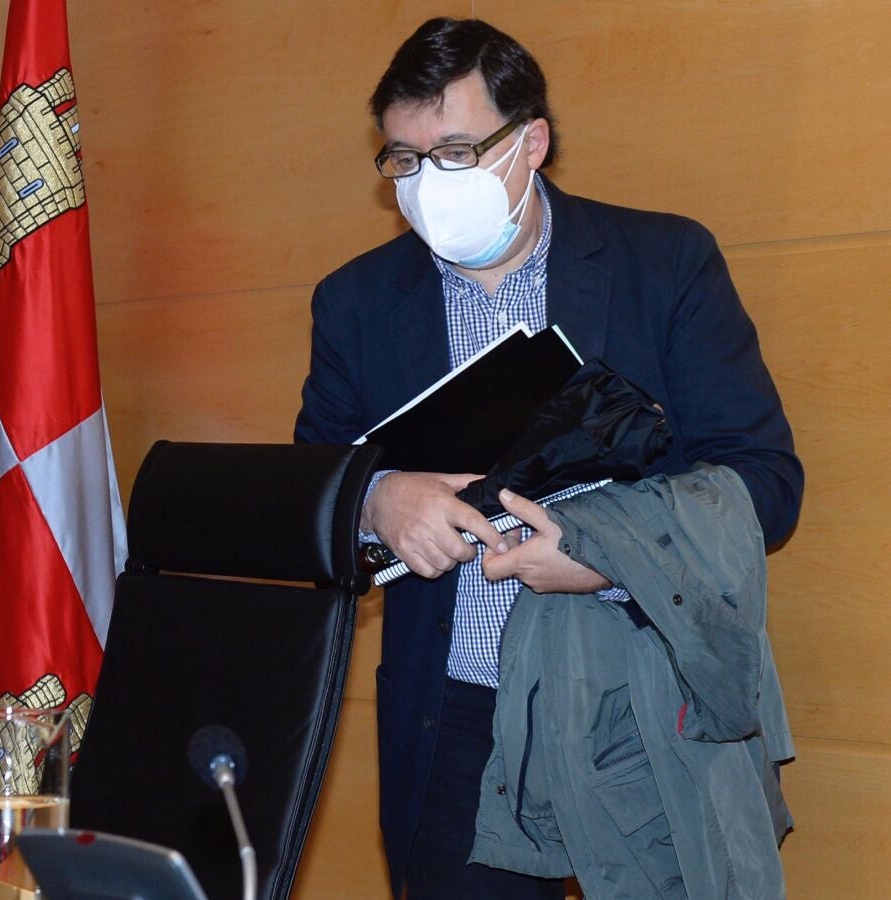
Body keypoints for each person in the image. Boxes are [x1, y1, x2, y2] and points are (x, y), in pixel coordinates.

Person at [294, 18, 802, 899]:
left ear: (531, 143)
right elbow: (307, 494)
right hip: (455, 718)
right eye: (405, 160)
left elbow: (765, 482)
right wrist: (376, 500)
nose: (427, 184)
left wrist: (606, 554)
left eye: (456, 152)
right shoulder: (357, 302)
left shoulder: (664, 264)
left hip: (645, 700)